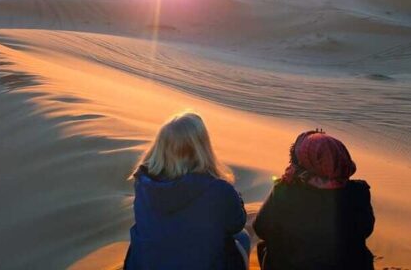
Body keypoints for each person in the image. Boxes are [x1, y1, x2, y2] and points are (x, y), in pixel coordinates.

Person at [124, 111, 251, 270]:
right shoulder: (218, 189)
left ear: (161, 146)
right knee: (243, 238)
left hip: (143, 264)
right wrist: (235, 199)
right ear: (202, 147)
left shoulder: (143, 184)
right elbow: (236, 224)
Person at [253, 129, 374, 270]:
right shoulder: (359, 191)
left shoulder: (286, 190)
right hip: (351, 264)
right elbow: (366, 229)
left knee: (263, 247)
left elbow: (261, 228)